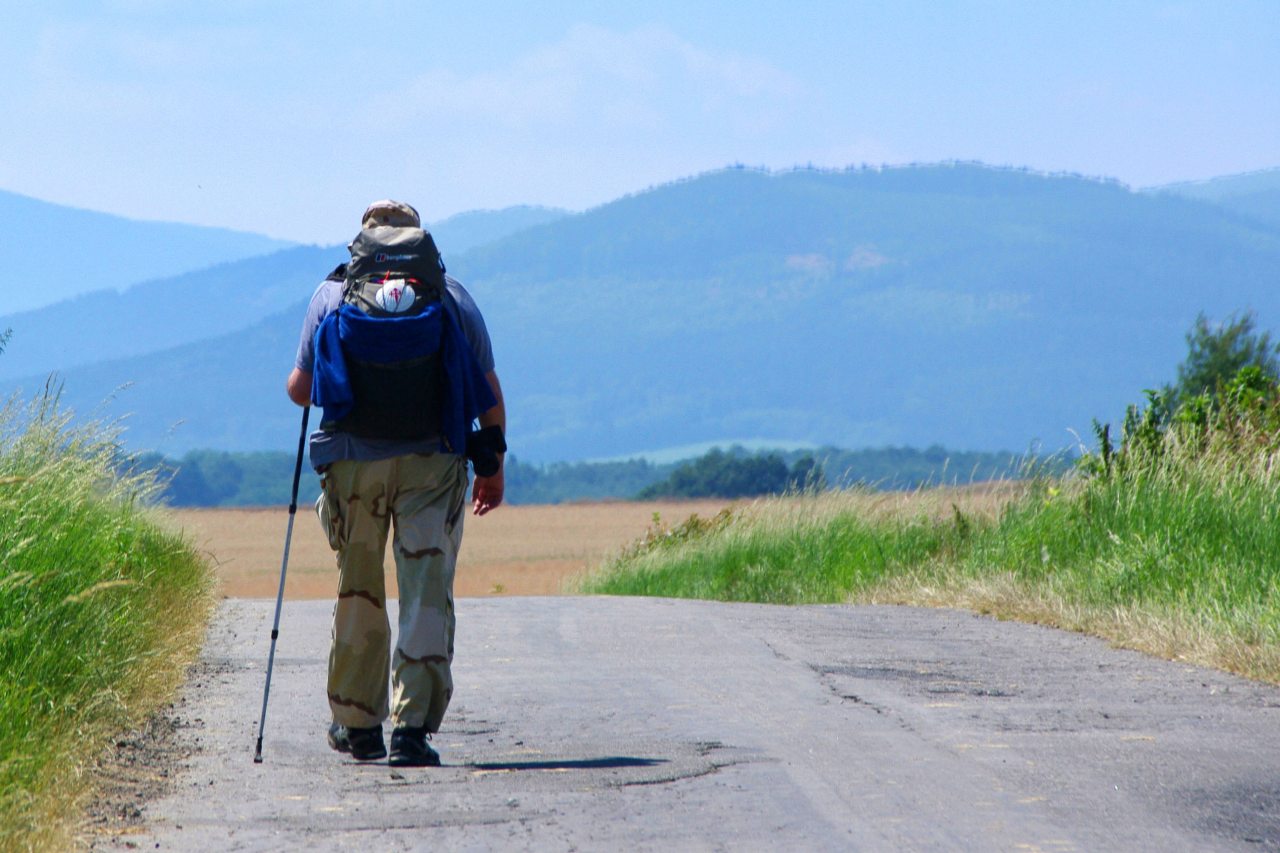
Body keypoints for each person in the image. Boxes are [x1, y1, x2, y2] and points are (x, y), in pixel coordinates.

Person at [285, 199, 506, 767]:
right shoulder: (449, 295)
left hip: (353, 465)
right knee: (425, 587)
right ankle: (412, 729)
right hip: (433, 464)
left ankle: (358, 726)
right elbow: (487, 391)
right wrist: (492, 465)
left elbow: (300, 389)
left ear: (364, 240)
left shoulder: (332, 294)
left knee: (359, 588)